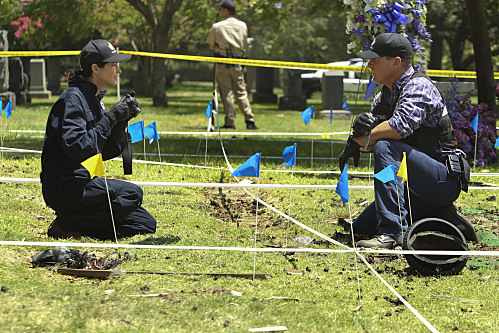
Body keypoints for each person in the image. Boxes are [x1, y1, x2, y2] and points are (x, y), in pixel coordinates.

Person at [338, 33, 475, 249]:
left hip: (443, 180)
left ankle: (392, 233)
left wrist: (359, 140)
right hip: (414, 184)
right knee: (360, 228)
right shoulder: (384, 95)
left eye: (376, 59)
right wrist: (358, 138)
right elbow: (371, 144)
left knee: (387, 145)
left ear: (396, 62)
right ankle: (440, 215)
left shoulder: (418, 86)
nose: (369, 64)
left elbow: (396, 128)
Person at [41, 39, 157, 240]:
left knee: (144, 222)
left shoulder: (94, 100)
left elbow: (104, 151)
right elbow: (80, 148)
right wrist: (110, 118)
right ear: (95, 68)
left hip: (83, 182)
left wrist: (120, 122)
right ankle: (66, 223)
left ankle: (75, 226)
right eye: (113, 65)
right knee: (131, 194)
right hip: (64, 185)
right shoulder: (72, 99)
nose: (118, 71)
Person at [207, 0, 258, 130]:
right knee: (241, 92)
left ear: (226, 10)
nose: (219, 12)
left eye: (221, 9)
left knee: (227, 93)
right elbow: (244, 42)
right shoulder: (242, 25)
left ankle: (230, 121)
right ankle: (249, 119)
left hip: (222, 63)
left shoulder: (217, 27)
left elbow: (211, 44)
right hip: (237, 63)